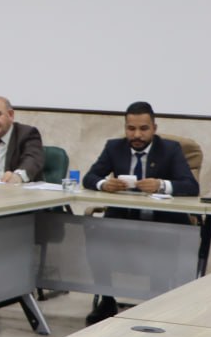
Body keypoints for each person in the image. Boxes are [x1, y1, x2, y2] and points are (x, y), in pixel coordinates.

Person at [81, 100, 199, 324]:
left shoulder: (170, 149)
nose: (137, 135)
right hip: (123, 222)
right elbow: (90, 177)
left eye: (143, 129)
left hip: (162, 224)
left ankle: (157, 301)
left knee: (162, 245)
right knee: (96, 237)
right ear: (125, 128)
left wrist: (161, 185)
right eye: (131, 128)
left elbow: (191, 186)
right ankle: (106, 299)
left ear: (154, 128)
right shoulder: (114, 147)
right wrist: (104, 184)